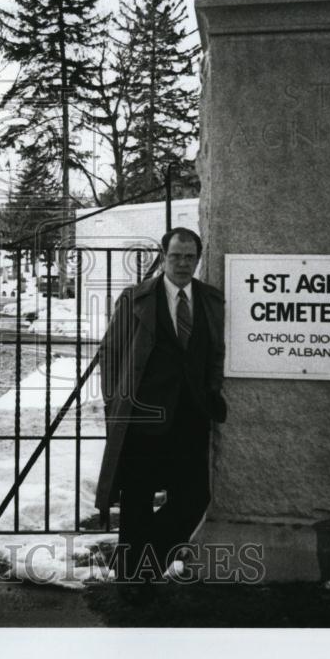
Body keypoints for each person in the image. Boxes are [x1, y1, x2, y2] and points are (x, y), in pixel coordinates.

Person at [94, 227, 227, 583]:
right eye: (175, 256)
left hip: (190, 418)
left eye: (189, 257)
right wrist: (116, 401)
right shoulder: (136, 298)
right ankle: (131, 581)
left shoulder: (211, 300)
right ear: (163, 258)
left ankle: (143, 567)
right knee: (137, 500)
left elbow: (215, 354)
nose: (182, 263)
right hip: (142, 418)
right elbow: (110, 353)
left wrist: (212, 390)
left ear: (198, 260)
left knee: (195, 496)